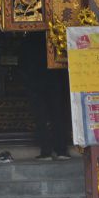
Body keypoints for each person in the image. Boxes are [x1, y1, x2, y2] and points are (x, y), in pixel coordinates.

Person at [20, 32, 71, 160]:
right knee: (58, 114)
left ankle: (47, 151)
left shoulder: (30, 41)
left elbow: (23, 64)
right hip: (54, 81)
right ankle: (61, 150)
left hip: (37, 81)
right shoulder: (56, 36)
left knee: (42, 116)